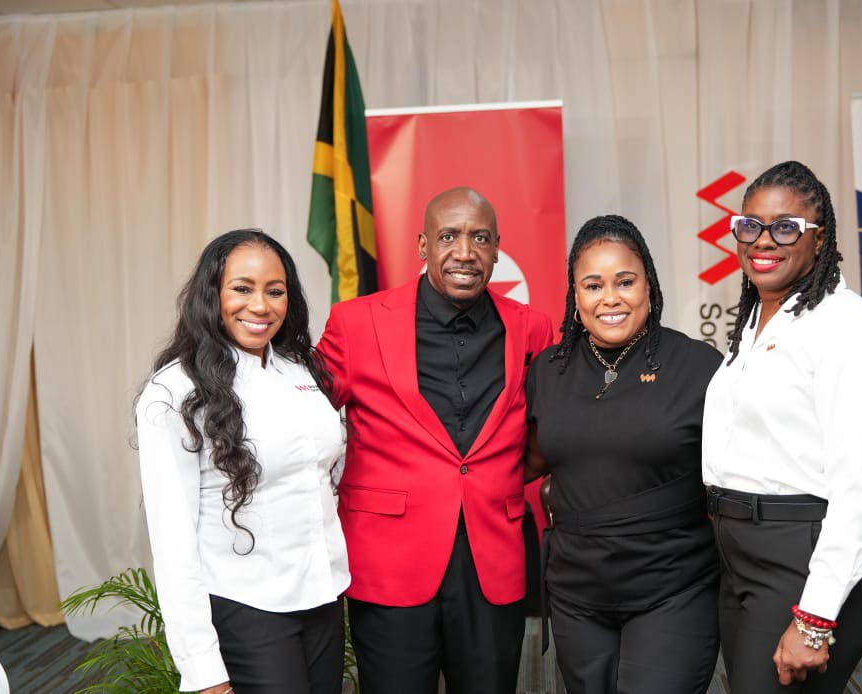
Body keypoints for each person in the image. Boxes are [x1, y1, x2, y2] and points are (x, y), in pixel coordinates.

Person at [317, 187, 553, 694]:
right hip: (389, 563)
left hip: (493, 562)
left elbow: (551, 430)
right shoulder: (356, 324)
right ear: (423, 245)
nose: (464, 252)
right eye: (449, 236)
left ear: (497, 249)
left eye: (480, 238)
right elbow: (300, 418)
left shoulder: (532, 328)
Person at [702, 161, 862, 692]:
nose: (763, 240)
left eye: (786, 226)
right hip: (740, 555)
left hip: (803, 560)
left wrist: (814, 622)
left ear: (819, 239)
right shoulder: (760, 317)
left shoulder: (850, 328)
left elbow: (858, 486)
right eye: (750, 225)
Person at [136, 230, 349, 693]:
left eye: (275, 291)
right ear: (212, 294)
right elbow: (172, 541)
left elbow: (326, 473)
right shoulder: (174, 392)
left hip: (323, 596)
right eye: (242, 288)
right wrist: (203, 671)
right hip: (248, 607)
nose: (261, 306)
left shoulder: (303, 372)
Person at [524, 215, 723, 694]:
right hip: (576, 591)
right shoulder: (547, 372)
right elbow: (528, 460)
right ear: (575, 297)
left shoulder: (699, 367)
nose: (609, 298)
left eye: (624, 282)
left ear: (649, 287)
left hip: (673, 587)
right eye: (592, 285)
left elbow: (751, 464)